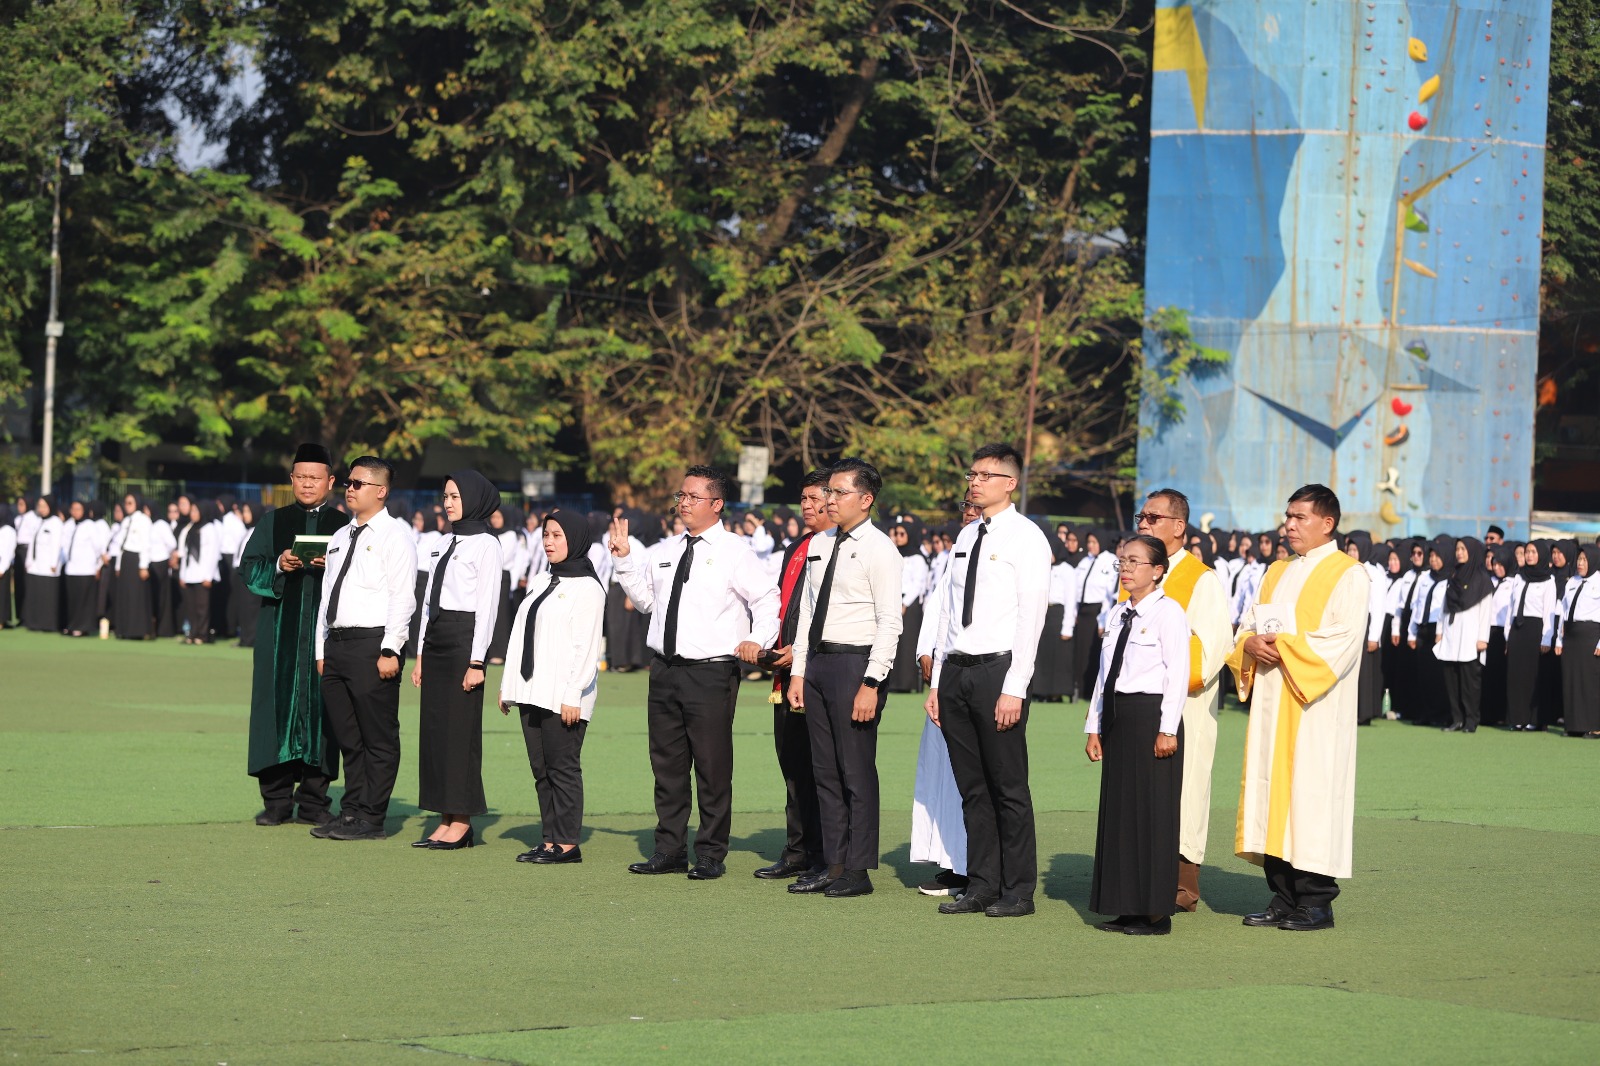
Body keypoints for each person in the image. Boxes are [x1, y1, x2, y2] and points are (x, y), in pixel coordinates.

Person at [609, 465, 779, 880]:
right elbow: (647, 603)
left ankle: (710, 853)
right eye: (681, 496)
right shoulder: (664, 550)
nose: (683, 503)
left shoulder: (735, 551)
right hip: (664, 669)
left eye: (693, 497)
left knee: (711, 766)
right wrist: (625, 560)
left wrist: (757, 639)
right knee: (666, 765)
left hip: (711, 672)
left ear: (716, 504)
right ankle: (668, 849)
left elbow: (767, 598)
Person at [1226, 484, 1369, 932]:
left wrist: (1283, 647)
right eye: (1287, 516)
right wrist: (1249, 644)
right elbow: (1249, 625)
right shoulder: (1277, 571)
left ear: (1327, 523)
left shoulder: (1349, 574)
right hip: (1272, 704)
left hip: (1314, 709)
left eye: (1299, 517)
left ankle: (1316, 902)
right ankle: (1283, 896)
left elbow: (1342, 641)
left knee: (1311, 797)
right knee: (1272, 793)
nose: (1288, 525)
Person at [925, 443, 1051, 918]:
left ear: (1010, 483)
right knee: (972, 786)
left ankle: (1018, 890)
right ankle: (981, 883)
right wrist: (937, 681)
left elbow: (1031, 617)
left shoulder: (1027, 538)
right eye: (972, 474)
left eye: (985, 475)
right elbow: (947, 613)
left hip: (999, 671)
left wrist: (1015, 686)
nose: (974, 482)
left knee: (1008, 786)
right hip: (956, 670)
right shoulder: (965, 535)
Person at [785, 458, 902, 899]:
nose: (829, 500)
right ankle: (832, 864)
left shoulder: (880, 549)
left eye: (839, 492)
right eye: (828, 492)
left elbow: (890, 621)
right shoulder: (819, 543)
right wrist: (799, 672)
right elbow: (807, 613)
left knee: (856, 771)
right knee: (824, 771)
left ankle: (858, 868)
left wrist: (872, 682)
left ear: (866, 499)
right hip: (817, 663)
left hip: (856, 665)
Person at [1131, 489, 1232, 912]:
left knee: (1184, 792)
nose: (1143, 524)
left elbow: (1210, 650)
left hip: (1184, 708)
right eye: (1141, 516)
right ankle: (1135, 875)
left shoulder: (1201, 578)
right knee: (1138, 789)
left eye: (1153, 518)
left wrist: (1153, 673)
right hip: (1135, 707)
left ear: (1178, 526)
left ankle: (1180, 884)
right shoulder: (1137, 572)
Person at [240, 445, 352, 826]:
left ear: (330, 482)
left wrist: (330, 566)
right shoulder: (272, 522)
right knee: (274, 712)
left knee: (323, 713)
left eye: (315, 478)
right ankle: (276, 801)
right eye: (301, 477)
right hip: (278, 637)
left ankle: (315, 801)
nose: (307, 484)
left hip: (326, 637)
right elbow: (248, 568)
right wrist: (278, 563)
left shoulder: (344, 525)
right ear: (291, 479)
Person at [1083, 533, 1188, 935]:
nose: (1125, 568)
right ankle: (1125, 906)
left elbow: (1177, 674)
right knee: (1121, 812)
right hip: (1118, 717)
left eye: (1135, 562)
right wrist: (1094, 726)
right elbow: (1104, 676)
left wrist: (1167, 729)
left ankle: (1156, 912)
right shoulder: (1117, 614)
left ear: (1158, 570)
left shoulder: (1169, 613)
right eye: (1122, 561)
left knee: (1152, 814)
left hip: (1152, 717)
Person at [312, 456, 417, 841]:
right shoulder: (341, 536)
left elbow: (403, 597)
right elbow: (327, 595)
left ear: (381, 491)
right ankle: (351, 811)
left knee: (378, 737)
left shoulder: (395, 536)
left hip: (374, 644)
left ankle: (372, 817)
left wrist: (391, 649)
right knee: (349, 738)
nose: (350, 489)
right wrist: (321, 649)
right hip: (337, 645)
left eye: (358, 483)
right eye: (349, 483)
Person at [500, 508, 606, 864]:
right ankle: (549, 839)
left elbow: (586, 647)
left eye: (557, 535)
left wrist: (574, 693)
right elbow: (520, 635)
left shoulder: (588, 588)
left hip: (564, 695)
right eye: (546, 534)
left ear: (575, 539)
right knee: (541, 769)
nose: (549, 541)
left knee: (563, 768)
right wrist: (509, 686)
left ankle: (567, 843)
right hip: (532, 689)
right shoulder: (541, 580)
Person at [410, 470, 503, 850]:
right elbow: (427, 601)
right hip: (435, 638)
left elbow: (487, 607)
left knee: (459, 733)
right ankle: (444, 816)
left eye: (455, 496)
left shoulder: (487, 545)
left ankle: (461, 820)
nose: (448, 503)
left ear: (474, 499)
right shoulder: (442, 542)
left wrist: (477, 662)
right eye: (446, 496)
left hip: (465, 640)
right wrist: (419, 654)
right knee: (434, 732)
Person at [753, 469, 832, 882]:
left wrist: (800, 652)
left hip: (822, 669)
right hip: (786, 673)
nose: (807, 505)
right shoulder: (796, 547)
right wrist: (769, 646)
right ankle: (798, 850)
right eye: (803, 498)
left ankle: (828, 855)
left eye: (815, 498)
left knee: (824, 769)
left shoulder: (840, 546)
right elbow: (783, 606)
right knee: (793, 765)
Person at [910, 500, 980, 897]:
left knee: (967, 775)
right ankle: (950, 860)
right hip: (944, 673)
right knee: (941, 770)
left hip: (976, 672)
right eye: (966, 506)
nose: (969, 512)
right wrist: (926, 651)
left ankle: (971, 867)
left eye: (976, 507)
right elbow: (937, 609)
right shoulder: (957, 550)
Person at [1434, 538, 1495, 733]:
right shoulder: (1453, 576)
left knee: (1470, 683)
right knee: (1451, 680)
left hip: (1470, 635)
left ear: (1472, 551)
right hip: (1451, 633)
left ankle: (1471, 720)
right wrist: (1439, 631)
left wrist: (1483, 637)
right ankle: (1457, 719)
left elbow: (1486, 610)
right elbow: (1444, 606)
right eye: (1457, 549)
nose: (1459, 552)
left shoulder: (1482, 579)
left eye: (1463, 549)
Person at [1503, 540, 1554, 731]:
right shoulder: (1519, 577)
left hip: (1535, 629)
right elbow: (1511, 607)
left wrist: (1546, 638)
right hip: (1517, 629)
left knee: (1532, 675)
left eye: (1533, 552)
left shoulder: (1548, 581)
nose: (1529, 555)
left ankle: (1534, 718)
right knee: (1515, 674)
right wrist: (1508, 634)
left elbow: (1549, 611)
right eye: (1527, 552)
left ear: (1541, 554)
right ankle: (1517, 717)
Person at [1554, 544, 1600, 739]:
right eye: (1579, 559)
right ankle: (1574, 725)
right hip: (1570, 635)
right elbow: (1563, 611)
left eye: (1584, 560)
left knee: (1590, 682)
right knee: (1571, 680)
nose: (1580, 563)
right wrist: (1559, 639)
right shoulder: (1572, 581)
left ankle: (1595, 726)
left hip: (1590, 635)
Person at [1070, 529, 1118, 701]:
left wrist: (1103, 622)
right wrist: (1074, 611)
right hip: (1083, 611)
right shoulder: (1085, 561)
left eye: (1094, 542)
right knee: (1081, 650)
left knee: (1097, 648)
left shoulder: (1111, 561)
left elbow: (1109, 594)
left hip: (1099, 612)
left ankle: (1093, 690)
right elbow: (1075, 588)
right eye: (1089, 542)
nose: (1091, 546)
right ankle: (1079, 687)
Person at [886, 519, 930, 693]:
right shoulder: (895, 554)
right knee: (894, 641)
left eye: (902, 534)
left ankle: (906, 682)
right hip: (894, 600)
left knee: (907, 642)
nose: (898, 537)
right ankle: (893, 681)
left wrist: (905, 603)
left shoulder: (918, 558)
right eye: (896, 533)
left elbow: (918, 584)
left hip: (909, 604)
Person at [177, 500, 222, 645]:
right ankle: (193, 632)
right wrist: (182, 575)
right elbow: (185, 553)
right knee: (190, 606)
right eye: (192, 511)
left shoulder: (209, 528)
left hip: (203, 574)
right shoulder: (189, 528)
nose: (193, 514)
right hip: (189, 573)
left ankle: (202, 634)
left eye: (196, 511)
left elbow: (213, 554)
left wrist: (208, 576)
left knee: (202, 607)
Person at [62, 501, 110, 637]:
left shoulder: (90, 526)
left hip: (85, 569)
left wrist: (96, 566)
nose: (75, 512)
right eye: (73, 509)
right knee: (72, 599)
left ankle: (82, 627)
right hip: (71, 568)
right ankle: (71, 625)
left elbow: (98, 548)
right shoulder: (69, 525)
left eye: (78, 509)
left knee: (84, 600)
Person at [22, 496, 64, 633]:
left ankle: (47, 624)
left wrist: (53, 563)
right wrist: (29, 561)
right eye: (39, 506)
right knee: (35, 594)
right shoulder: (38, 521)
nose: (41, 509)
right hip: (35, 565)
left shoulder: (56, 522)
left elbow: (56, 544)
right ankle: (34, 622)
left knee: (47, 596)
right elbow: (32, 543)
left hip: (48, 566)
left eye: (44, 506)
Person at [146, 501, 179, 638]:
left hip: (160, 562)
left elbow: (172, 543)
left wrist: (165, 554)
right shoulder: (147, 524)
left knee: (162, 596)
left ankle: (164, 629)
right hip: (150, 563)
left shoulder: (161, 525)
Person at [233, 503, 262, 648]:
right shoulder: (247, 530)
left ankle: (251, 639)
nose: (244, 514)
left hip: (252, 574)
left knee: (251, 608)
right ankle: (244, 638)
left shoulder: (259, 531)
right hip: (241, 572)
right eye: (244, 511)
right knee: (243, 607)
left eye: (247, 511)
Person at [0, 503, 15, 628]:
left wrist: (2, 568)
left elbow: (8, 552)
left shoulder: (8, 531)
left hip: (2, 566)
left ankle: (2, 620)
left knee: (2, 594)